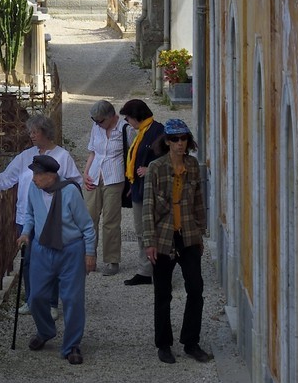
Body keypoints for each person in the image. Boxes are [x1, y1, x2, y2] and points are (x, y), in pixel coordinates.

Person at [0, 114, 80, 300]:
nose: (31, 135)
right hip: (25, 217)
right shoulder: (25, 157)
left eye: (35, 132)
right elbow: (8, 177)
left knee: (50, 261)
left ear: (46, 133)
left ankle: (51, 302)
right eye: (30, 132)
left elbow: (74, 184)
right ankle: (32, 298)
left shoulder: (63, 157)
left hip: (51, 217)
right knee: (28, 261)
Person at [142, 118, 214, 364]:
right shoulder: (156, 168)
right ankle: (163, 344)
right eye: (175, 139)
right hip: (163, 237)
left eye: (183, 138)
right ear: (167, 142)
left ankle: (190, 342)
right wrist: (149, 242)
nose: (180, 143)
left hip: (189, 235)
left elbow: (197, 202)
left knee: (196, 289)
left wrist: (200, 233)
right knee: (163, 293)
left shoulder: (192, 166)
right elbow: (148, 206)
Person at [18, 152, 96, 362]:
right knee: (36, 298)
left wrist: (89, 253)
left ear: (51, 176)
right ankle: (45, 331)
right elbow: (30, 215)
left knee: (72, 299)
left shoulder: (70, 192)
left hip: (70, 250)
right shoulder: (35, 189)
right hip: (42, 250)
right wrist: (26, 233)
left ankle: (72, 346)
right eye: (34, 174)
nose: (34, 178)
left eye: (38, 175)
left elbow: (87, 227)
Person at [119, 98, 164, 286]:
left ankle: (154, 269)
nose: (127, 122)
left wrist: (149, 169)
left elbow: (166, 158)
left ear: (137, 117)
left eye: (128, 118)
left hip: (151, 190)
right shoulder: (142, 131)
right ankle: (146, 269)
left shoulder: (157, 131)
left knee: (151, 229)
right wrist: (132, 185)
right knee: (140, 230)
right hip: (139, 188)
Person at [82, 99, 128, 275]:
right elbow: (92, 152)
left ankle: (112, 260)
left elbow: (131, 154)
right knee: (89, 218)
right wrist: (85, 174)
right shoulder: (97, 126)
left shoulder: (125, 128)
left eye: (100, 121)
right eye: (94, 121)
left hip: (114, 178)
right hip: (94, 176)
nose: (97, 124)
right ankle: (88, 257)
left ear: (111, 117)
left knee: (111, 221)